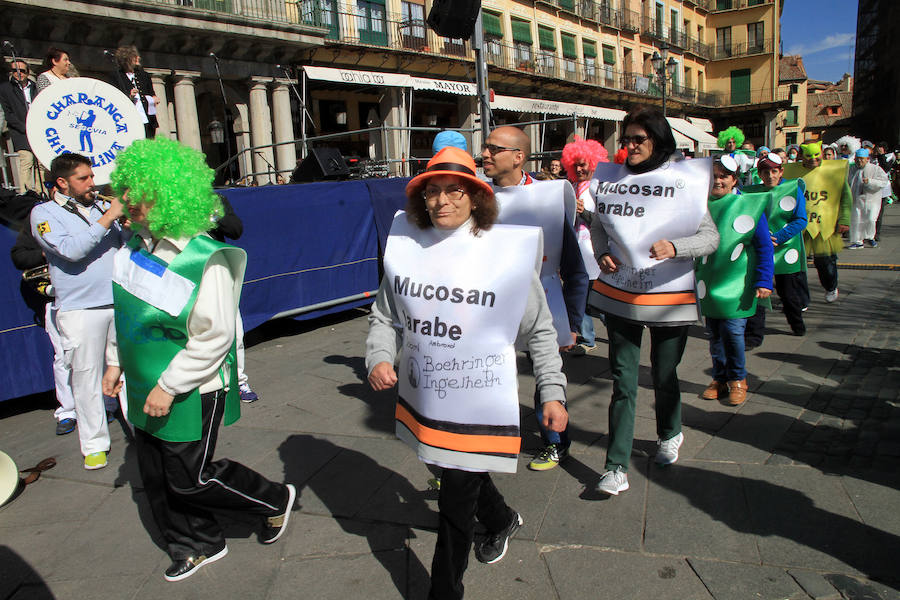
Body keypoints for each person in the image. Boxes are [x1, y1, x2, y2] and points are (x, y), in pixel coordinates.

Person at [366, 146, 567, 600]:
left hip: (481, 401)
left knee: (455, 502)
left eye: (454, 190)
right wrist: (379, 356)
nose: (442, 201)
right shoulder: (407, 250)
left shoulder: (505, 254)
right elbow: (383, 315)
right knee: (451, 468)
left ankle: (444, 591)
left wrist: (551, 392)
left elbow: (539, 328)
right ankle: (500, 519)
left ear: (476, 196)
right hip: (426, 398)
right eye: (432, 191)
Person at [101, 138, 295, 582]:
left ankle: (273, 500)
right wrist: (114, 362)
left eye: (138, 190)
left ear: (169, 191)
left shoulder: (203, 257)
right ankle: (197, 543)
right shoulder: (132, 248)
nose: (126, 199)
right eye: (125, 189)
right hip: (140, 381)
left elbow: (216, 336)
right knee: (154, 472)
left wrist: (168, 388)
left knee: (190, 476)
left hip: (192, 385)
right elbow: (124, 314)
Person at [589, 106, 718, 496]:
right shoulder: (610, 180)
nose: (629, 146)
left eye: (638, 140)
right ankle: (615, 467)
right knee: (623, 381)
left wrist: (676, 246)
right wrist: (600, 254)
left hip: (669, 295)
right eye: (625, 139)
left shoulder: (684, 181)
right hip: (622, 292)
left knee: (664, 374)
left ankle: (669, 433)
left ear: (659, 141)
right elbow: (598, 226)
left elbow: (710, 238)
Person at [480, 125, 587, 472]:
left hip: (544, 302)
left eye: (494, 149)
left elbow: (574, 267)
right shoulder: (474, 197)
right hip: (490, 307)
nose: (485, 154)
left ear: (518, 157)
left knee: (547, 378)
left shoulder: (550, 196)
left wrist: (573, 321)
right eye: (485, 147)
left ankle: (555, 442)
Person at [30, 153, 126, 469]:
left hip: (119, 299)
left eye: (91, 176)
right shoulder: (44, 214)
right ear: (62, 182)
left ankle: (141, 430)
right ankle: (95, 444)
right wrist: (109, 218)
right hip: (80, 309)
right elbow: (71, 251)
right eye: (83, 178)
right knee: (86, 378)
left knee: (128, 371)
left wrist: (128, 222)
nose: (91, 183)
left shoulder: (101, 207)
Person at [695, 156, 774, 406]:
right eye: (714, 176)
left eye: (724, 176)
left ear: (734, 180)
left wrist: (764, 280)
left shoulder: (747, 206)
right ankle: (719, 378)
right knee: (715, 334)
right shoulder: (700, 206)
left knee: (732, 332)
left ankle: (738, 379)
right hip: (709, 282)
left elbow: (764, 247)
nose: (718, 180)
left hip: (736, 286)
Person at [742, 153, 809, 345]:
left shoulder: (792, 189)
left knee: (788, 293)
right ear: (759, 174)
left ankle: (797, 324)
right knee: (758, 290)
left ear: (781, 172)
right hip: (761, 251)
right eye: (765, 172)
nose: (770, 176)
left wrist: (778, 238)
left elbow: (800, 220)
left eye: (774, 171)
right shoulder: (750, 192)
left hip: (784, 250)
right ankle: (753, 336)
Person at [783, 140, 851, 303]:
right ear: (801, 156)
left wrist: (844, 219)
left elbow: (846, 197)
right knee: (796, 264)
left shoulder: (833, 170)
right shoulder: (791, 172)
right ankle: (801, 298)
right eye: (808, 155)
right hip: (800, 226)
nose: (813, 159)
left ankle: (831, 285)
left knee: (825, 262)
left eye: (816, 154)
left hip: (825, 224)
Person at [559, 136, 608, 353]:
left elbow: (605, 222)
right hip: (577, 251)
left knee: (600, 300)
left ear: (593, 163)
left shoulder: (600, 189)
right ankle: (587, 339)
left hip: (596, 252)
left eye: (583, 164)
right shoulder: (570, 187)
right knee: (581, 297)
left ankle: (619, 330)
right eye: (575, 164)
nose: (579, 168)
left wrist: (584, 213)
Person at [0, 59, 41, 193]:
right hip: (21, 131)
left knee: (40, 164)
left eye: (22, 71)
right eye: (15, 71)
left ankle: (41, 193)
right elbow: (8, 114)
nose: (19, 74)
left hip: (37, 130)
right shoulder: (6, 89)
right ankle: (26, 194)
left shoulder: (35, 87)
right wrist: (23, 127)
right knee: (27, 161)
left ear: (27, 72)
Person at [110, 45, 158, 139]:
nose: (138, 58)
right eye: (135, 56)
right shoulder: (117, 77)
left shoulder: (144, 75)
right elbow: (114, 99)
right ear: (128, 58)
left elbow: (151, 94)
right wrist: (129, 96)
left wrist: (154, 98)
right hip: (130, 119)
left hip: (147, 118)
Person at [847, 148, 889, 249]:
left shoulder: (875, 169)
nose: (859, 161)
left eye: (862, 159)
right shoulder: (852, 169)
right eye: (857, 159)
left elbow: (883, 181)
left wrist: (870, 182)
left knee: (871, 219)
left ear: (867, 159)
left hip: (871, 200)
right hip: (856, 200)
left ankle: (870, 237)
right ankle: (857, 241)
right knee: (856, 220)